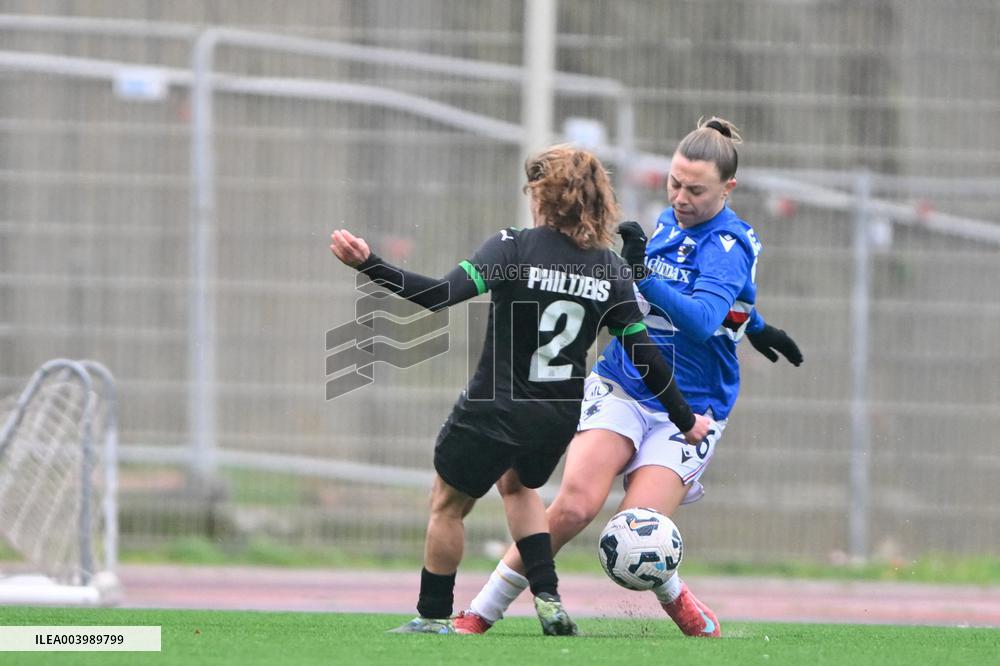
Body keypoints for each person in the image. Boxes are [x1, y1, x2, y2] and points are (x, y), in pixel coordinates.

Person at [330, 145, 711, 635]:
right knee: (518, 485)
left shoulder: (512, 247)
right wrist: (686, 420)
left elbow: (438, 296)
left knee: (447, 505)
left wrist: (370, 264)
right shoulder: (612, 270)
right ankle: (548, 596)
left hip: (493, 407)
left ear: (544, 196)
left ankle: (432, 615)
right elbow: (646, 357)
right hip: (556, 419)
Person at [454, 118, 803, 638]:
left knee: (637, 531)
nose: (680, 198)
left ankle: (674, 595)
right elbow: (697, 300)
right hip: (624, 381)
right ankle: (481, 611)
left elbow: (702, 318)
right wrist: (753, 323)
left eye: (696, 190)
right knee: (574, 506)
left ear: (728, 188)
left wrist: (645, 275)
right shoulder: (667, 223)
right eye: (675, 183)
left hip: (692, 409)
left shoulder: (730, 243)